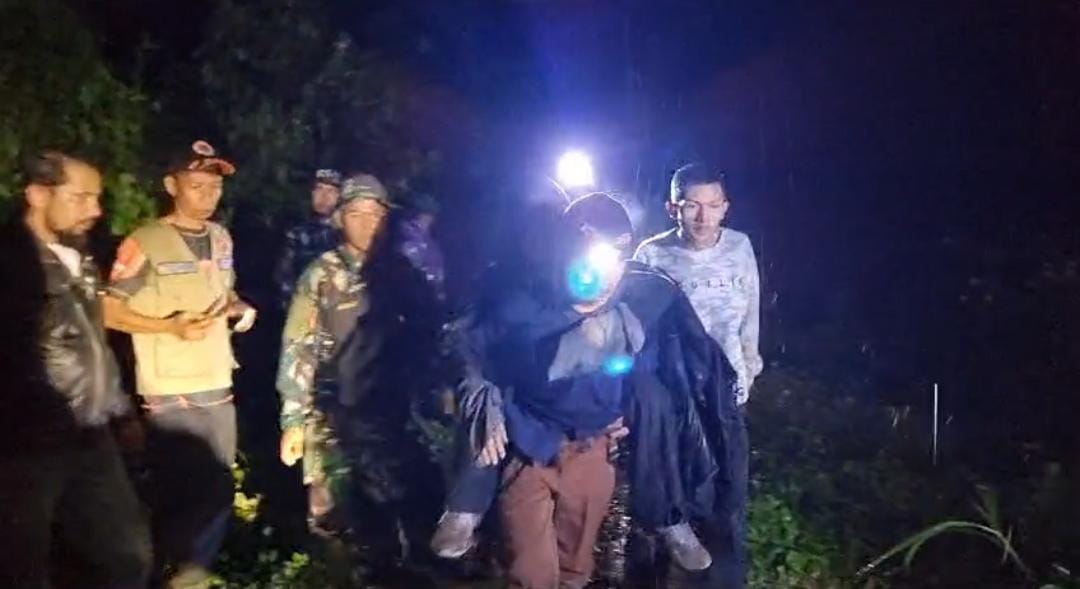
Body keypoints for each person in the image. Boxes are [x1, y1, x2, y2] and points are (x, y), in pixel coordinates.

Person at [435, 192, 738, 589]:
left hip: (592, 449)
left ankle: (667, 514)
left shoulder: (644, 298)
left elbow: (672, 365)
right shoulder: (521, 302)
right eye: (589, 256)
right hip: (532, 445)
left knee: (576, 566)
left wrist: (639, 414)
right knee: (531, 570)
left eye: (615, 258)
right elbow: (467, 345)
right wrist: (479, 390)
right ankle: (466, 506)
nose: (603, 275)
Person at [103, 140, 257, 589]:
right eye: (197, 185)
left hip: (217, 381)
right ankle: (163, 575)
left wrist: (237, 307)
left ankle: (187, 575)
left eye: (215, 187)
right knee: (182, 494)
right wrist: (168, 326)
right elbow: (107, 310)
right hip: (171, 390)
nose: (208, 195)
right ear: (172, 186)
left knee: (219, 490)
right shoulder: (145, 242)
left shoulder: (221, 237)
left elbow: (223, 291)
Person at [0, 150, 152, 589]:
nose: (96, 210)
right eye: (81, 197)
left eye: (97, 198)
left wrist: (120, 409)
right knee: (22, 565)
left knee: (127, 558)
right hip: (26, 443)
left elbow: (93, 343)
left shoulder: (80, 256)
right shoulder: (10, 262)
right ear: (38, 195)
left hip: (91, 434)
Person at [634, 163, 757, 588]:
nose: (703, 217)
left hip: (726, 395)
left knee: (729, 501)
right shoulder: (651, 255)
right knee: (676, 504)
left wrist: (749, 369)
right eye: (691, 206)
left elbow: (751, 316)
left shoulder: (740, 247)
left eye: (713, 205)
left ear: (726, 207)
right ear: (673, 208)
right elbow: (636, 333)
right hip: (674, 399)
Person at [276, 173, 396, 542]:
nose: (366, 224)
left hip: (386, 411)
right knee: (330, 510)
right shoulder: (321, 274)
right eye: (356, 214)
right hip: (330, 413)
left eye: (375, 214)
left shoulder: (400, 272)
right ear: (340, 218)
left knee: (385, 505)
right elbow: (299, 346)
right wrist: (294, 419)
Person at [274, 168, 343, 310]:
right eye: (319, 189)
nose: (324, 196)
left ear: (339, 197)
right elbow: (283, 276)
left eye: (331, 191)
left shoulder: (346, 234)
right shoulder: (296, 233)